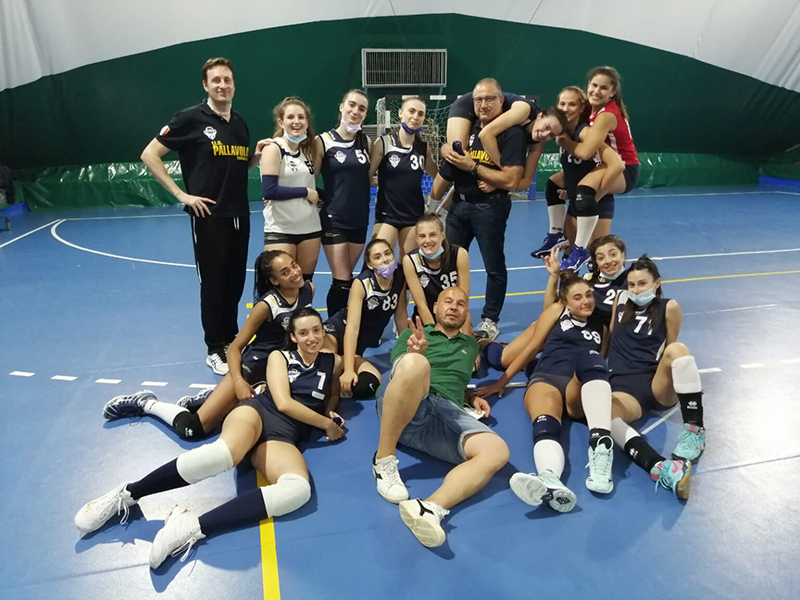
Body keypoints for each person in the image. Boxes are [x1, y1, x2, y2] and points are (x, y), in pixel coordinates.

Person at [75, 308, 344, 570]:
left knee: (298, 490)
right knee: (221, 455)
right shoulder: (280, 357)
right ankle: (127, 493)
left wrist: (331, 412)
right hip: (259, 414)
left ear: (323, 331)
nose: (312, 338)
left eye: (316, 330)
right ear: (293, 337)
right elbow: (283, 403)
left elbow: (331, 394)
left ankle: (190, 526)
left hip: (283, 436)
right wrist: (326, 425)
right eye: (303, 333)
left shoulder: (333, 362)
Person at [102, 251, 315, 441]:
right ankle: (147, 403)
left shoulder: (308, 289)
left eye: (294, 265)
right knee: (194, 429)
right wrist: (238, 381)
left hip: (281, 367)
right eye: (285, 272)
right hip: (254, 367)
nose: (295, 273)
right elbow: (234, 348)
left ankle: (209, 398)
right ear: (274, 281)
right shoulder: (266, 306)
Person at [140, 57, 267, 375]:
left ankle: (231, 341)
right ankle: (214, 347)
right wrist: (182, 195)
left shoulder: (239, 123)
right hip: (209, 215)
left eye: (227, 80)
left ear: (234, 84)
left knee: (234, 282)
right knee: (213, 284)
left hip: (239, 213)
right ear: (206, 85)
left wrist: (255, 158)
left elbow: (237, 166)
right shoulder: (190, 119)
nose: (222, 85)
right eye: (216, 80)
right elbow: (149, 154)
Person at [372, 287, 509, 547]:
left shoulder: (470, 345)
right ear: (435, 307)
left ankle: (429, 509)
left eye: (460, 304)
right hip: (405, 407)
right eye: (448, 301)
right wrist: (416, 353)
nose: (454, 307)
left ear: (466, 313)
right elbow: (401, 374)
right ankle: (383, 460)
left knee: (498, 451)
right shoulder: (413, 334)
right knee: (416, 364)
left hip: (444, 415)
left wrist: (470, 397)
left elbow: (454, 379)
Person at [477, 272, 615, 512]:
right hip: (547, 377)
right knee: (545, 423)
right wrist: (502, 382)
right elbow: (532, 347)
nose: (585, 301)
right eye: (578, 297)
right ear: (566, 302)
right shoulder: (556, 312)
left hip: (575, 387)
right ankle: (550, 479)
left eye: (589, 295)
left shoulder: (601, 329)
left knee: (592, 360)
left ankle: (600, 458)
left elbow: (598, 368)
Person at [430, 78, 544, 340]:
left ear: (502, 101)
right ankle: (449, 315)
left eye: (489, 99)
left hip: (490, 209)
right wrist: (433, 207)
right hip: (458, 207)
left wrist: (475, 168)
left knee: (493, 265)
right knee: (449, 264)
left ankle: (490, 319)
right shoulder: (466, 129)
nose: (483, 104)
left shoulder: (512, 134)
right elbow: (451, 164)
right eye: (478, 100)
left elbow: (511, 179)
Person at [599, 256, 705, 498]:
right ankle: (661, 468)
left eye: (642, 284)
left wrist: (686, 382)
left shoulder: (669, 307)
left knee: (677, 350)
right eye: (632, 285)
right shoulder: (620, 301)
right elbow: (613, 337)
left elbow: (671, 348)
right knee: (606, 417)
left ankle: (695, 431)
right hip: (623, 388)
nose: (636, 290)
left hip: (656, 384)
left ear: (656, 283)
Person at [556, 67, 639, 272]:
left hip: (623, 169)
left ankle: (582, 251)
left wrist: (563, 140)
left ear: (613, 92)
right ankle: (564, 244)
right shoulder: (590, 111)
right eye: (594, 85)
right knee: (564, 190)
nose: (596, 91)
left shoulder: (606, 116)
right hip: (604, 166)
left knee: (585, 192)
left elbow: (585, 152)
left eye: (604, 88)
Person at [531, 87, 625, 260]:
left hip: (594, 200)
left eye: (572, 104)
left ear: (582, 107)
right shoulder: (560, 132)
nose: (566, 108)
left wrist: (594, 197)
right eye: (562, 104)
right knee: (569, 255)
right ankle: (555, 235)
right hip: (577, 199)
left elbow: (615, 164)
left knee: (597, 255)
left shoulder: (586, 132)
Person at [324, 238, 407, 399]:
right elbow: (352, 328)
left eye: (387, 253)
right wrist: (349, 370)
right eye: (377, 257)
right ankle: (337, 368)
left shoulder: (399, 277)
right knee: (324, 363)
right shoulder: (362, 283)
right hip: (339, 331)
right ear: (370, 264)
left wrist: (406, 352)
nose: (385, 259)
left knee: (368, 385)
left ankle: (338, 369)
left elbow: (401, 316)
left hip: (357, 347)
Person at [316, 89, 372, 316]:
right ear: (341, 106)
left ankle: (348, 322)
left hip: (359, 219)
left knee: (348, 278)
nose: (355, 111)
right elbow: (308, 177)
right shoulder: (323, 141)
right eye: (352, 105)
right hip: (334, 219)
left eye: (362, 108)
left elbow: (368, 178)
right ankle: (334, 327)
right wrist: (322, 197)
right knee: (341, 280)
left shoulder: (366, 142)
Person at [261, 97, 322, 278]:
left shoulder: (307, 151)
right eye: (290, 117)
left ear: (307, 122)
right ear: (281, 122)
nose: (297, 122)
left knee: (304, 284)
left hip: (310, 228)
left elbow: (310, 187)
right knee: (281, 285)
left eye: (301, 117)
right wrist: (305, 192)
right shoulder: (273, 148)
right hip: (281, 229)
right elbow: (269, 191)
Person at [370, 97, 438, 255]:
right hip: (387, 214)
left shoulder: (423, 148)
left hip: (413, 215)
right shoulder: (384, 143)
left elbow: (439, 176)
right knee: (379, 260)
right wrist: (383, 181)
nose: (415, 117)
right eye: (411, 111)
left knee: (409, 264)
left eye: (420, 114)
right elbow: (366, 178)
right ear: (401, 113)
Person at [402, 213, 471, 330]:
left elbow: (463, 301)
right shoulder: (410, 261)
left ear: (443, 235)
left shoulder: (459, 254)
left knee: (468, 340)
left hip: (454, 319)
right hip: (427, 321)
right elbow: (421, 305)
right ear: (417, 239)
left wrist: (462, 333)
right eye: (422, 236)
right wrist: (436, 336)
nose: (427, 241)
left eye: (432, 235)